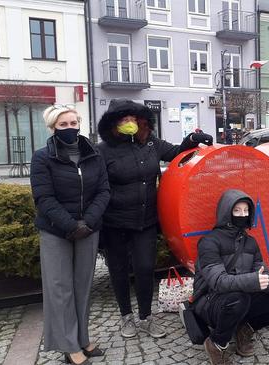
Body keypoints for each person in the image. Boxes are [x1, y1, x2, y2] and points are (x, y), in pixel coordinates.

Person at [97, 99, 213, 339]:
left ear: (140, 121)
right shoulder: (103, 150)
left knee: (145, 268)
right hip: (114, 222)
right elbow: (95, 186)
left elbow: (175, 153)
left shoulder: (150, 143)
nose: (129, 123)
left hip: (145, 221)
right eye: (123, 119)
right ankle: (126, 317)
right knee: (118, 271)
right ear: (113, 123)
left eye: (132, 118)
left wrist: (192, 140)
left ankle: (146, 317)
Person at [30, 105, 110, 365]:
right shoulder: (42, 157)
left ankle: (83, 338)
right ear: (53, 128)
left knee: (83, 286)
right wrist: (70, 225)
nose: (70, 128)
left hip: (88, 228)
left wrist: (87, 222)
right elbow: (44, 197)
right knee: (60, 288)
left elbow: (103, 191)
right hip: (56, 231)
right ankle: (68, 345)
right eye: (63, 125)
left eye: (73, 123)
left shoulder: (94, 154)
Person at [192, 190, 269, 365]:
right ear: (226, 212)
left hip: (240, 297)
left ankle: (244, 329)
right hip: (209, 302)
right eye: (237, 210)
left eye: (246, 211)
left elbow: (263, 272)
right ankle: (217, 342)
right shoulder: (209, 242)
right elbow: (218, 282)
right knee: (239, 299)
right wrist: (253, 281)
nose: (242, 215)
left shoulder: (251, 242)